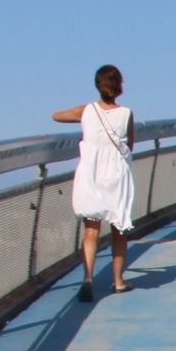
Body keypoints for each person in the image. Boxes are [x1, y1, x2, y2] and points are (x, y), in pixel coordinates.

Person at [53, 64, 135, 301]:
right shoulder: (127, 114)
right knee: (119, 229)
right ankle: (118, 281)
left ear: (98, 85)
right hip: (116, 174)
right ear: (119, 86)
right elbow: (129, 146)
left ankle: (88, 278)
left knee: (91, 229)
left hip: (91, 173)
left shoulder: (85, 111)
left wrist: (84, 117)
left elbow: (56, 116)